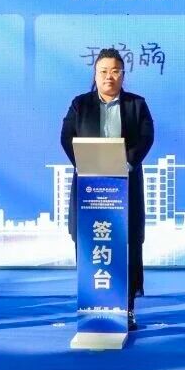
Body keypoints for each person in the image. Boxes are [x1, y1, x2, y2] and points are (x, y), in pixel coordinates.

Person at [60, 48, 155, 331]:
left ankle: (127, 307)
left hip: (125, 185)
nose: (109, 77)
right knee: (91, 243)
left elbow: (147, 137)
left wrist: (126, 163)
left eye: (115, 71)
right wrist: (86, 164)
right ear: (95, 74)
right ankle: (92, 304)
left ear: (123, 75)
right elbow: (66, 137)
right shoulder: (80, 104)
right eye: (103, 71)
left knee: (127, 245)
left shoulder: (136, 104)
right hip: (89, 187)